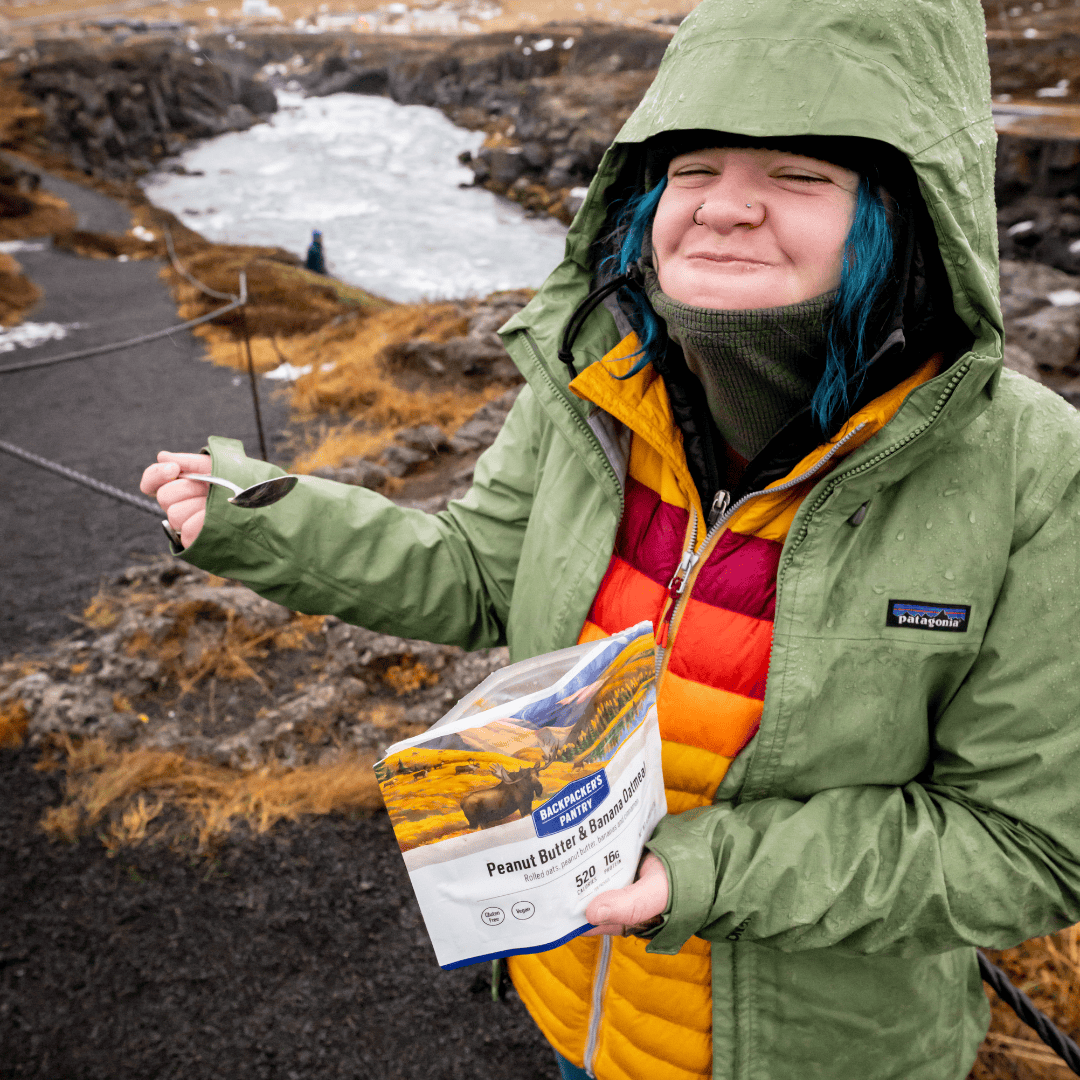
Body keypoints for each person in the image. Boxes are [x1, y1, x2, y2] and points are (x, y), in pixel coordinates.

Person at [142, 1, 1080, 1077]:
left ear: (908, 215)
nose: (724, 207)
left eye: (799, 175)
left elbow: (1028, 842)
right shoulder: (598, 385)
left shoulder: (1031, 473)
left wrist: (702, 877)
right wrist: (267, 515)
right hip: (575, 1007)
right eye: (692, 170)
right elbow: (478, 573)